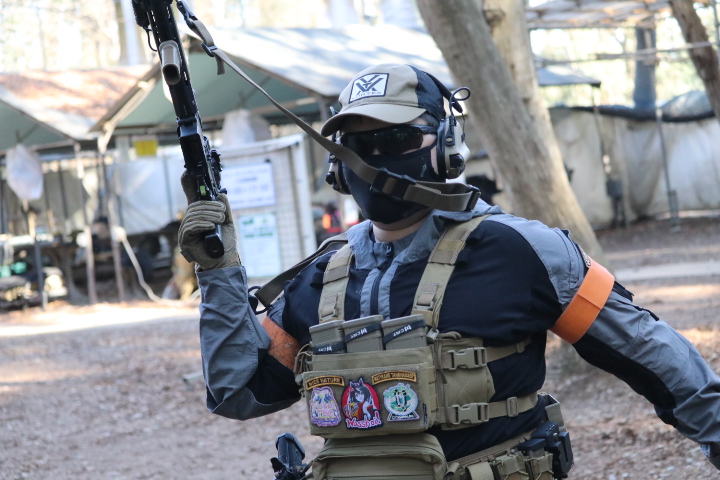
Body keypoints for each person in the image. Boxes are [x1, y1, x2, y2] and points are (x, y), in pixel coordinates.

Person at [177, 63, 720, 478]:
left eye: (396, 139)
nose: (374, 157)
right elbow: (240, 392)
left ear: (448, 147)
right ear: (337, 164)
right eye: (357, 145)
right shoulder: (322, 276)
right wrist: (218, 271)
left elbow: (654, 357)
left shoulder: (524, 252)